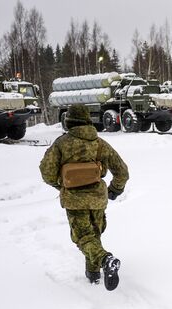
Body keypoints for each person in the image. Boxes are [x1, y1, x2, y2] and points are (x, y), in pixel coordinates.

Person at [39, 104, 129, 291]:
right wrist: (114, 190)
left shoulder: (61, 143)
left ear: (69, 120)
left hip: (74, 199)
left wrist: (62, 185)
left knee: (83, 237)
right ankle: (93, 275)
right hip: (98, 198)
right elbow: (122, 171)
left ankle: (106, 259)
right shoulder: (100, 143)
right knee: (93, 235)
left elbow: (46, 172)